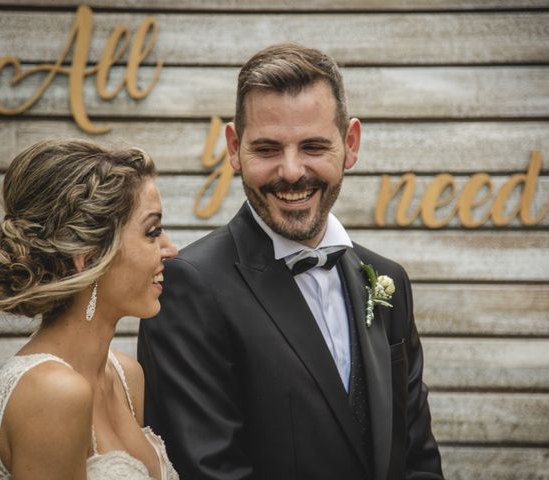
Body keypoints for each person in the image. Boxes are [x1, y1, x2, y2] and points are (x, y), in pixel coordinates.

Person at [138, 43, 444, 479]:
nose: (292, 171)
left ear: (350, 144)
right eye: (267, 150)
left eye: (314, 146)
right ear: (233, 147)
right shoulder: (189, 287)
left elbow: (418, 460)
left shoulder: (388, 280)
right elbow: (208, 470)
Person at [0, 139, 180, 480]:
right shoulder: (51, 392)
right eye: (152, 231)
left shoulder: (126, 377)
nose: (170, 249)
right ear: (90, 258)